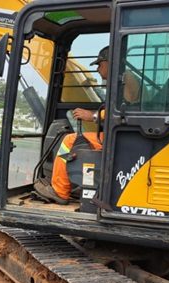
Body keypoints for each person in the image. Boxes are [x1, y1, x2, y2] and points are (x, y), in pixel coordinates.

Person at [36, 46, 142, 204]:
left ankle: (60, 191)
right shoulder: (122, 81)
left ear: (109, 62)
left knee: (69, 141)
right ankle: (85, 181)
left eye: (100, 65)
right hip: (124, 137)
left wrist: (92, 115)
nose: (98, 70)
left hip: (123, 140)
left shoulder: (127, 79)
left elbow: (126, 113)